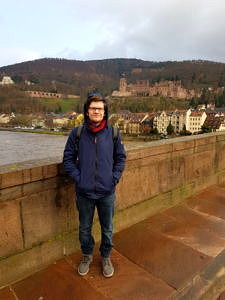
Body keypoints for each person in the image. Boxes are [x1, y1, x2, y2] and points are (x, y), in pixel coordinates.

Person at [63, 93, 126, 278]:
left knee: (107, 228)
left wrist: (113, 178)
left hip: (107, 192)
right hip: (84, 193)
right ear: (87, 111)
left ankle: (105, 256)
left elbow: (121, 158)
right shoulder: (77, 133)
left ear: (105, 112)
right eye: (93, 108)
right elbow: (67, 159)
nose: (96, 111)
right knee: (84, 228)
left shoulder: (113, 133)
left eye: (100, 108)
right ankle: (87, 255)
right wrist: (79, 178)